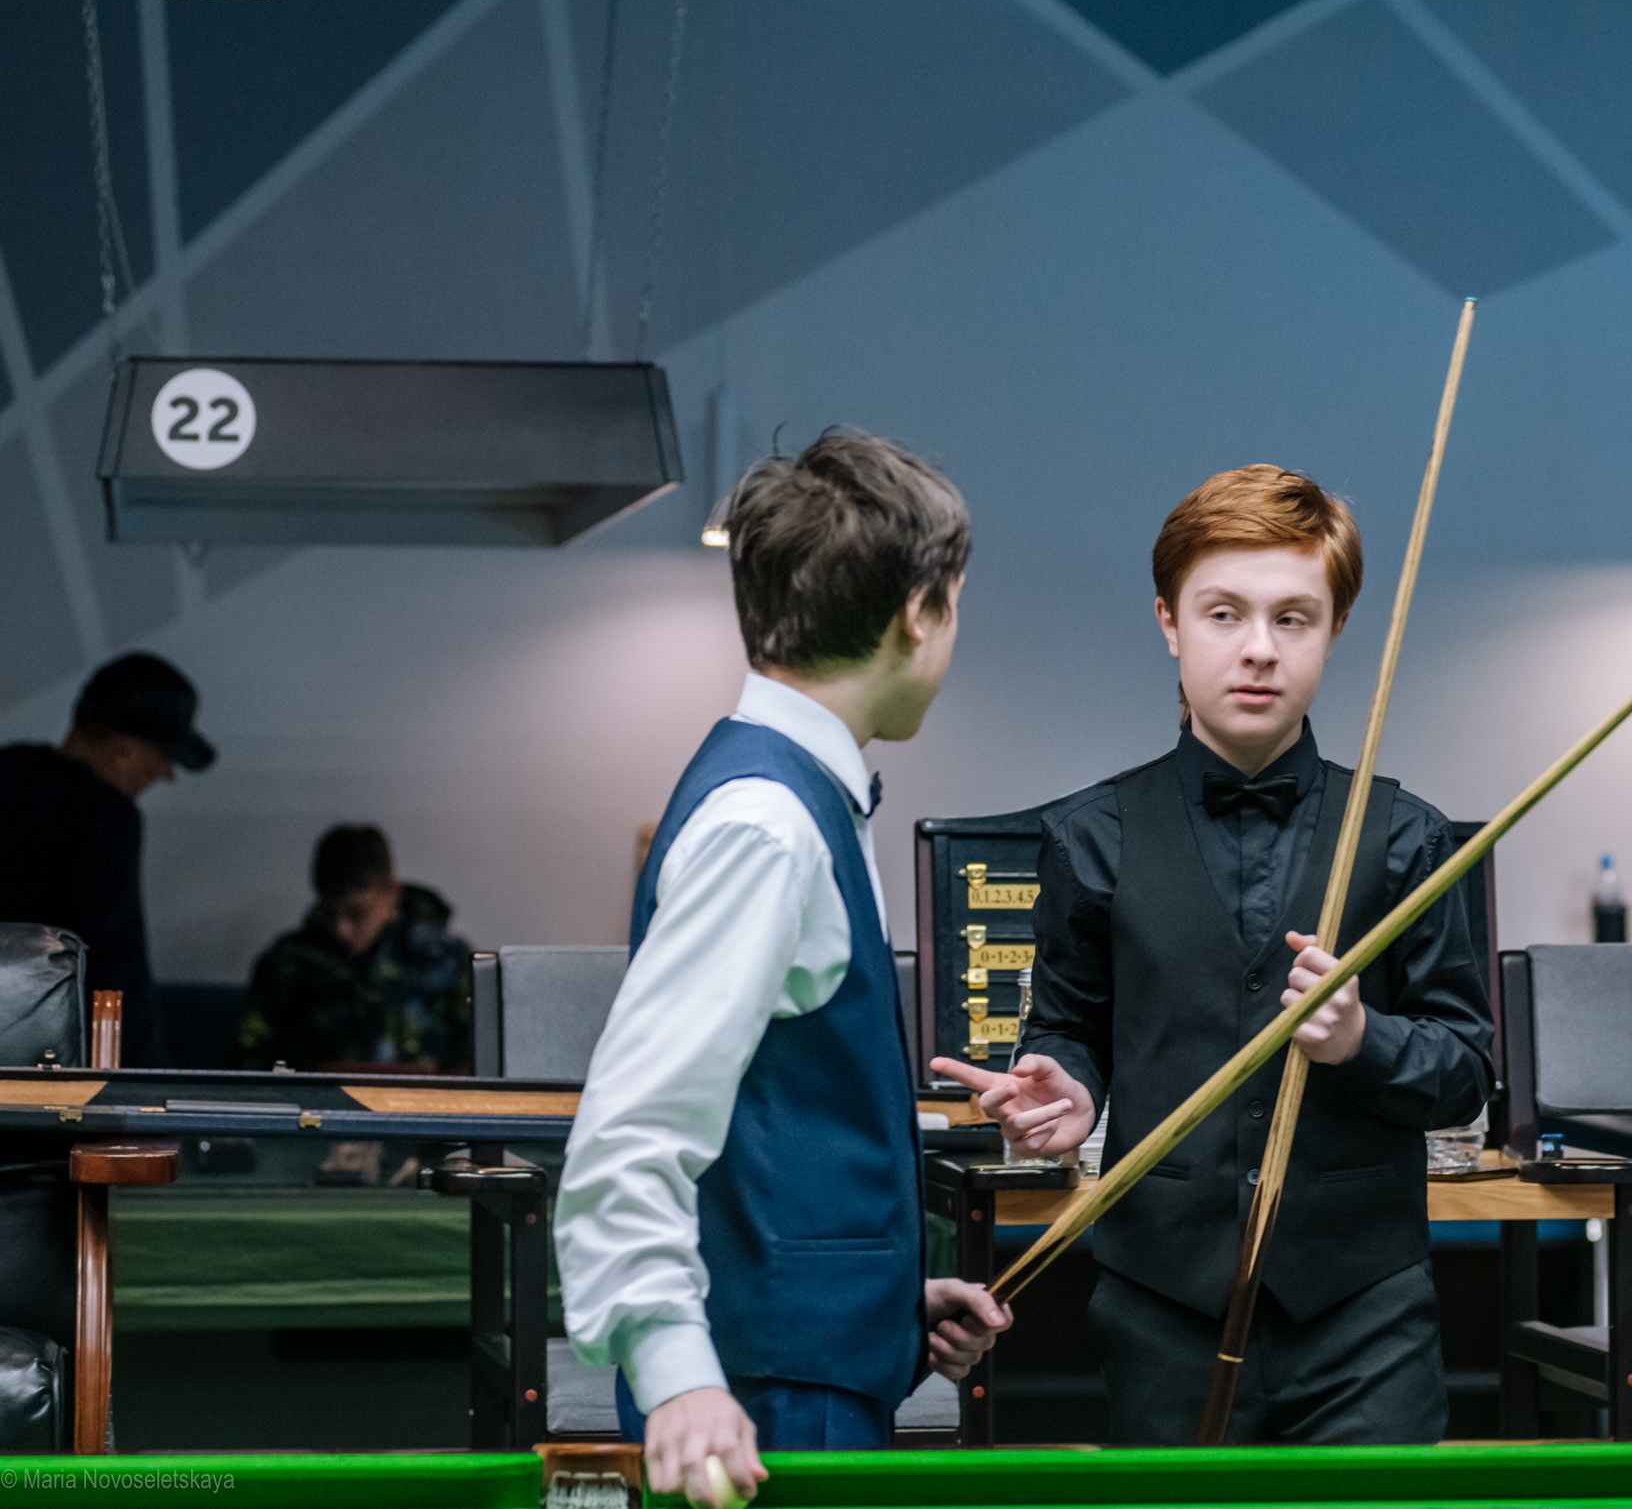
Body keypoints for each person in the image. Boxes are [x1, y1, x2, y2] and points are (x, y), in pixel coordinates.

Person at [936, 465, 1494, 1444]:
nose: (1258, 648)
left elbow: (1466, 1073)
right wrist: (1068, 1086)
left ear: (1336, 629)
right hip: (1158, 1311)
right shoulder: (1090, 836)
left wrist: (1362, 1040)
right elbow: (1069, 1029)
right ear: (1169, 621)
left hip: (1366, 1321)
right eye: (1224, 613)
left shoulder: (1408, 838)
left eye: (1293, 619)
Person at [555, 429, 1007, 1493]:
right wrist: (679, 1375)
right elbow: (629, 1136)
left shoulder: (792, 799)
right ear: (918, 612)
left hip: (796, 1371)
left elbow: (777, 1128)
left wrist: (883, 1298)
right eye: (956, 603)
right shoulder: (767, 825)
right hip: (756, 1404)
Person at [0, 653, 216, 1066]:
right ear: (123, 751)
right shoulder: (103, 817)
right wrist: (147, 1089)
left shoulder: (8, 770)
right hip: (43, 1079)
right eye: (163, 758)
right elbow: (115, 969)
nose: (168, 773)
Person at [234, 824, 473, 1073]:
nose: (341, 929)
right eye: (328, 912)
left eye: (357, 914)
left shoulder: (450, 962)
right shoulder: (288, 963)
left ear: (392, 894)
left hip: (426, 1098)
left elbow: (479, 1064)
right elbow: (249, 1061)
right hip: (311, 1097)